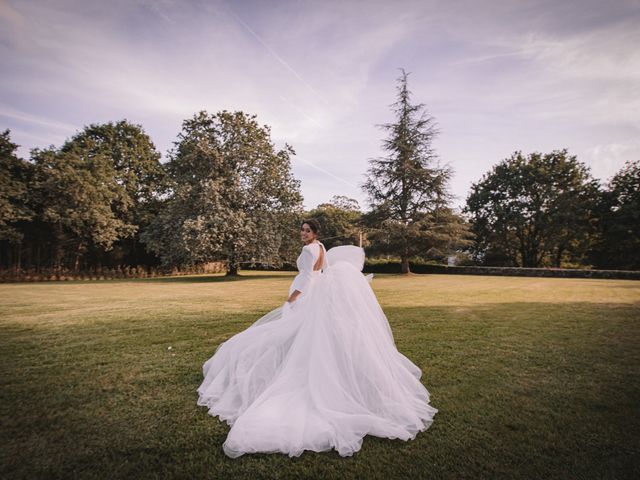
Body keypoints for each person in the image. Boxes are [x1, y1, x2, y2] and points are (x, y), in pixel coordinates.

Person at [197, 218, 437, 458]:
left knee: (288, 333)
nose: (303, 233)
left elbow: (305, 277)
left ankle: (282, 368)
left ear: (315, 233)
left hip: (305, 293)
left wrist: (293, 298)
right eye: (302, 229)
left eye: (307, 230)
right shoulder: (322, 247)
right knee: (303, 336)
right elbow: (319, 273)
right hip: (318, 292)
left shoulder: (308, 249)